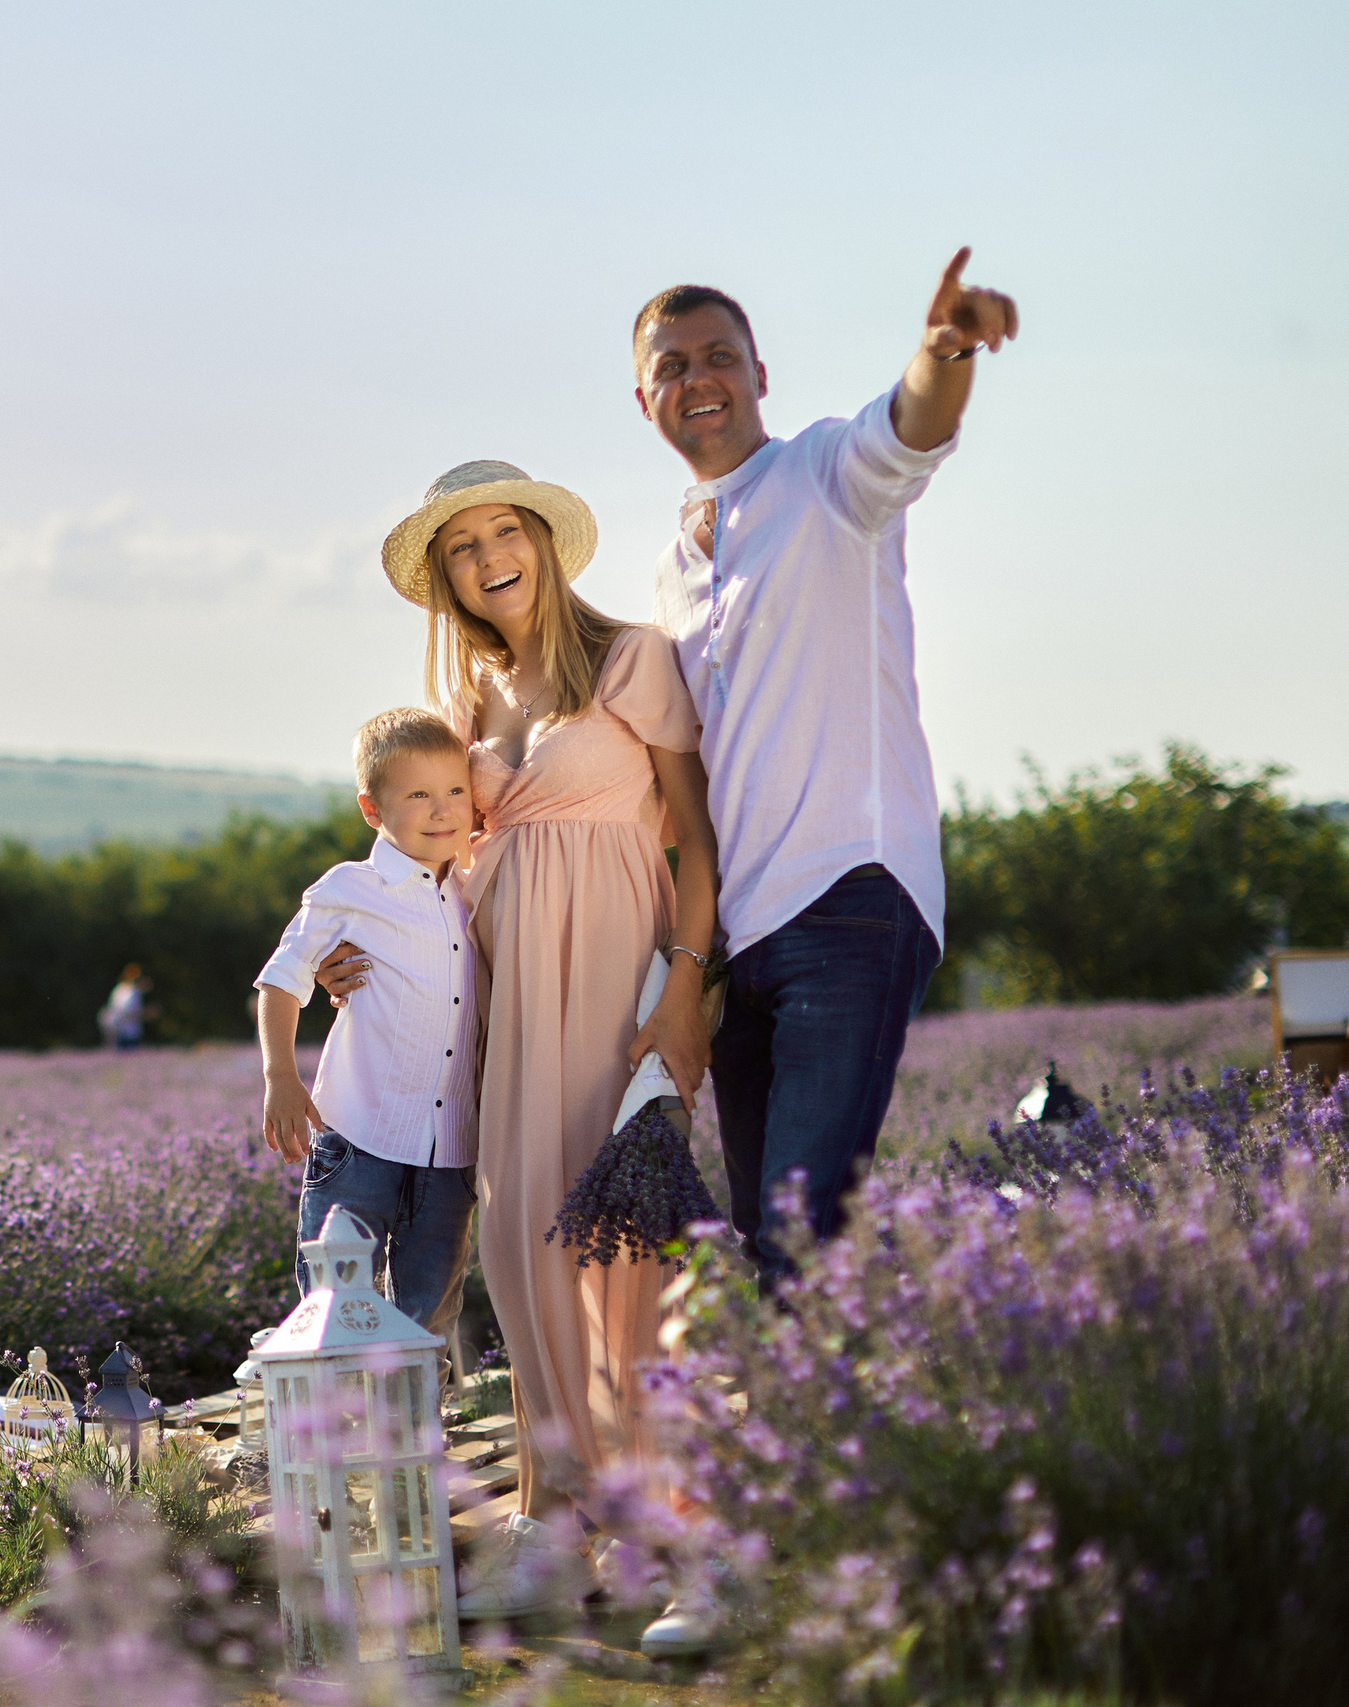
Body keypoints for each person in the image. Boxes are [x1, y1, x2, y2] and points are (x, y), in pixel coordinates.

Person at [623, 252, 1018, 1661]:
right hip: (743, 942)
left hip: (854, 893)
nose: (698, 380)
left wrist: (943, 352)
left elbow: (909, 433)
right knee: (784, 1246)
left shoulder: (820, 482)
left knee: (795, 1232)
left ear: (759, 373)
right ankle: (890, 1523)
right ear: (645, 400)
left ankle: (757, 1556)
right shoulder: (672, 566)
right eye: (670, 366)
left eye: (717, 355)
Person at [361, 462, 718, 1621]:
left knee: (621, 1253)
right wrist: (354, 949)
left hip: (615, 980)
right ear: (445, 579)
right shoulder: (469, 704)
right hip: (503, 996)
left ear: (544, 541)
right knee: (520, 1246)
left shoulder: (631, 660)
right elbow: (427, 851)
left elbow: (698, 841)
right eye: (461, 548)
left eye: (503, 531)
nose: (488, 558)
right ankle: (554, 1511)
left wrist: (684, 988)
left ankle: (664, 1533)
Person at [252, 708, 481, 1343]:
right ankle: (334, 1404)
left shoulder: (477, 888)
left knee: (429, 1315)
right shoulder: (350, 889)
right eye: (419, 795)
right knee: (334, 1306)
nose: (443, 809)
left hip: (450, 1147)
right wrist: (281, 1077)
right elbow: (282, 978)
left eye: (455, 790)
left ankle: (419, 1406)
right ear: (372, 809)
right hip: (360, 1134)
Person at [97, 963, 154, 1050]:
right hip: (125, 1033)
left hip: (124, 1031)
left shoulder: (122, 990)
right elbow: (127, 1012)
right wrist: (147, 1013)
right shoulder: (129, 992)